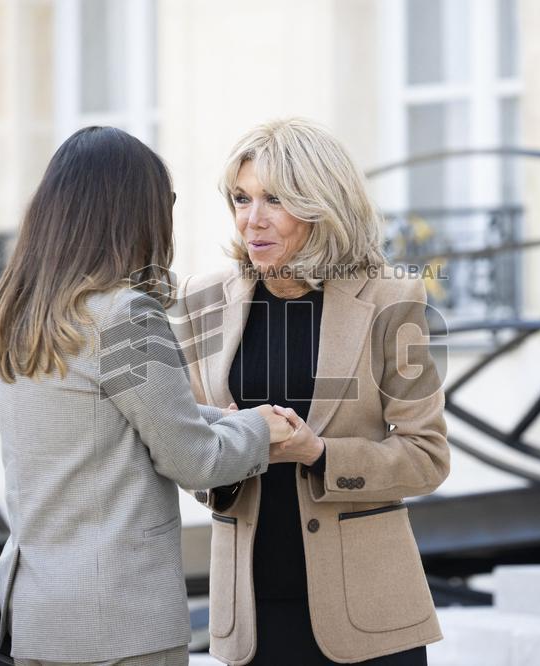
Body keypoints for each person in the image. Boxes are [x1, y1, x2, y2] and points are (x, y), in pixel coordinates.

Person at [0, 126, 294, 666]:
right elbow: (194, 460)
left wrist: (212, 419)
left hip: (37, 615)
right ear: (132, 212)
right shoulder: (123, 315)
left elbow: (102, 419)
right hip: (119, 624)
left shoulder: (22, 316)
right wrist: (259, 431)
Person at [173, 118, 451, 665]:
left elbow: (427, 458)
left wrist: (319, 455)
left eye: (274, 199)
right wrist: (229, 449)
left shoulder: (393, 297)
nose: (252, 220)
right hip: (251, 613)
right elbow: (186, 452)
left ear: (322, 205)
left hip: (372, 614)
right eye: (240, 198)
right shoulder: (200, 299)